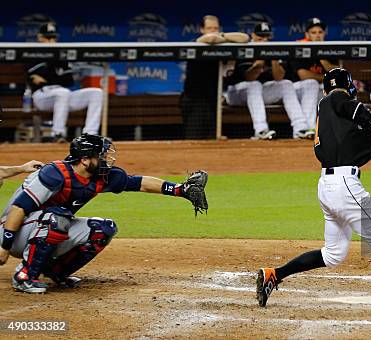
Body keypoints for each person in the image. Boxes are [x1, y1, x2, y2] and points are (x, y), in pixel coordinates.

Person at [256, 68, 371, 312]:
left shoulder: (330, 118)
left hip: (328, 186)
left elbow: (361, 155)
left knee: (333, 254)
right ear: (350, 87)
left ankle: (274, 274)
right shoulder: (338, 99)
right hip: (346, 187)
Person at [0, 134, 208, 294]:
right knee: (57, 218)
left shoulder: (101, 177)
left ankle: (57, 271)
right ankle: (25, 276)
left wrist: (180, 190)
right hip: (11, 230)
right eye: (101, 155)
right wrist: (4, 247)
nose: (107, 159)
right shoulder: (54, 174)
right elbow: (19, 209)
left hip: (45, 227)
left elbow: (140, 183)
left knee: (102, 229)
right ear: (84, 159)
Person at [225, 23, 313, 139]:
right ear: (253, 36)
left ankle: (300, 128)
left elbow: (279, 77)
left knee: (285, 84)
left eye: (266, 38)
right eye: (260, 38)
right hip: (234, 94)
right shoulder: (247, 49)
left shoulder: (273, 49)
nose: (263, 41)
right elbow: (249, 78)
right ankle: (261, 130)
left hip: (257, 94)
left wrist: (273, 58)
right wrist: (259, 61)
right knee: (254, 85)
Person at [28, 22, 103, 142]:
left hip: (63, 94)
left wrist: (48, 75)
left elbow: (68, 81)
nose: (51, 41)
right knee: (62, 92)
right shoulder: (32, 53)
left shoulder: (61, 55)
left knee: (96, 92)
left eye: (53, 37)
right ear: (40, 37)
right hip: (42, 97)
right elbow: (34, 80)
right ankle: (58, 134)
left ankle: (90, 135)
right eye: (48, 37)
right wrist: (55, 75)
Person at [181, 15, 249, 139]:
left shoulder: (222, 43)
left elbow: (245, 38)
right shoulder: (196, 43)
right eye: (209, 28)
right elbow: (210, 39)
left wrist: (222, 36)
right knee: (194, 137)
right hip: (195, 98)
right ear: (202, 29)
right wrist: (221, 37)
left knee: (212, 137)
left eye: (215, 28)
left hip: (213, 98)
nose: (213, 31)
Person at [291, 18, 340, 133]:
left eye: (320, 32)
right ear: (307, 34)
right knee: (311, 83)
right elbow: (303, 75)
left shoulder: (330, 50)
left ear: (324, 34)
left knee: (338, 91)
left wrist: (322, 56)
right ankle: (308, 127)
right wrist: (327, 78)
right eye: (313, 33)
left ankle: (341, 131)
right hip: (297, 91)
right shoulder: (300, 49)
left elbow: (338, 74)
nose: (317, 35)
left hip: (317, 91)